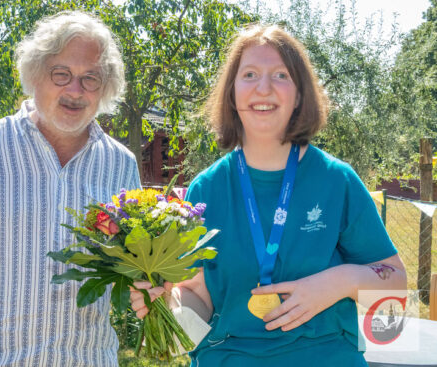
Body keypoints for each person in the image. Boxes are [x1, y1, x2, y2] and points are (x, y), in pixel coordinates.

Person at [131, 24, 406, 366]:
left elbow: (396, 283)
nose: (263, 88)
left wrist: (341, 280)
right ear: (232, 93)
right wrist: (167, 307)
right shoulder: (206, 189)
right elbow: (198, 292)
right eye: (249, 74)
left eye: (280, 75)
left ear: (299, 95)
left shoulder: (337, 180)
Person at [0, 11, 140, 367]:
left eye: (91, 78)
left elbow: (132, 266)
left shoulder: (121, 164)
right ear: (35, 74)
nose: (75, 90)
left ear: (106, 89)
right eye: (61, 74)